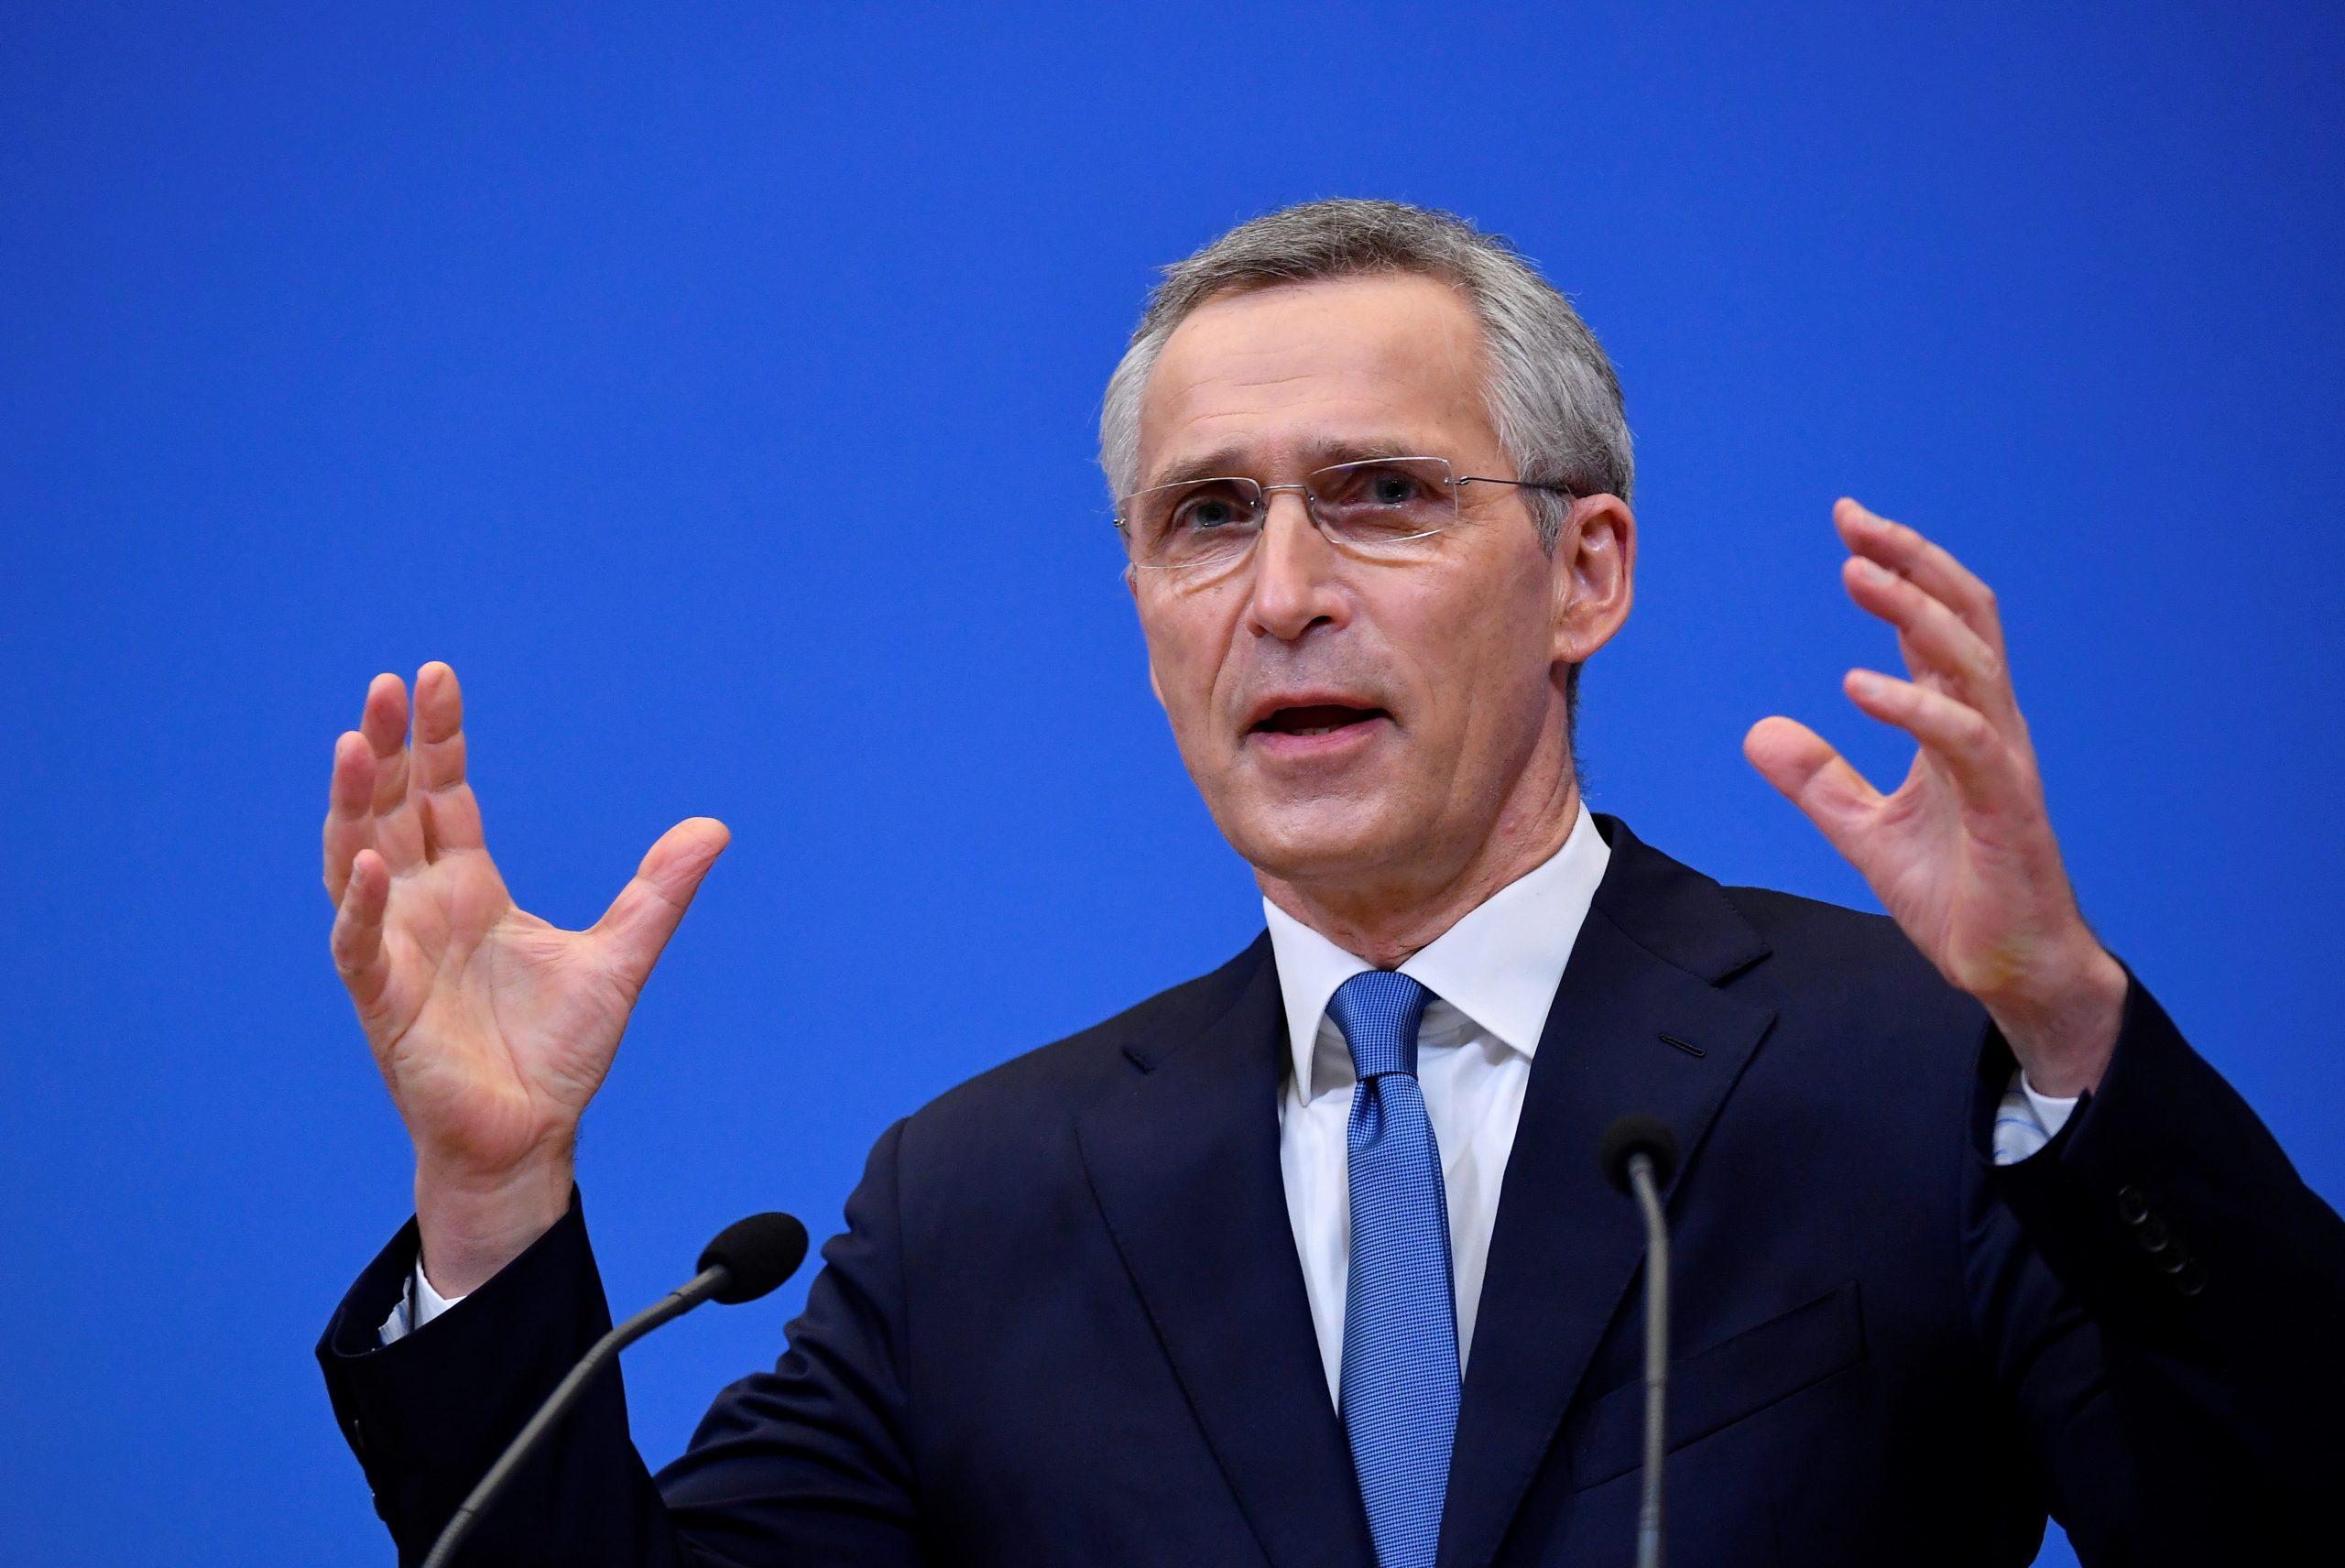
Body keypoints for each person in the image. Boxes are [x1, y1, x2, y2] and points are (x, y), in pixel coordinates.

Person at [316, 200, 2344, 1566]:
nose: (1280, 593)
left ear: (1584, 573)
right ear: (1140, 612)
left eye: (1374, 495)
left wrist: (2064, 1027)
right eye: (1205, 518)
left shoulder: (1910, 1065)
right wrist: (491, 1203)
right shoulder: (980, 1200)